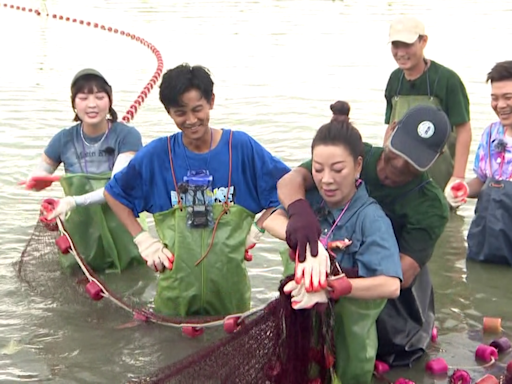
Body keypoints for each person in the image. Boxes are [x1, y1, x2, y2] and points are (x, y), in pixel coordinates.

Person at [104, 63, 291, 317]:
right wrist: (143, 240)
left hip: (230, 298)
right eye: (180, 112)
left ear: (211, 102)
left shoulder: (242, 148)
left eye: (197, 109)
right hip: (175, 297)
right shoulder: (158, 155)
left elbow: (288, 188)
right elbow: (114, 194)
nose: (191, 120)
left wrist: (257, 230)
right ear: (169, 112)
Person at [276, 102, 450, 367]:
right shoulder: (356, 156)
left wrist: (339, 275)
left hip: (385, 285)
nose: (400, 164)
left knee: (389, 351)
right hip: (335, 259)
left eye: (413, 160)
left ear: (435, 159)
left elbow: (401, 275)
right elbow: (292, 180)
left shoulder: (431, 205)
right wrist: (299, 213)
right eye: (398, 151)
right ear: (390, 130)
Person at [262, 106, 403, 384]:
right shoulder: (312, 201)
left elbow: (391, 285)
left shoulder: (371, 218)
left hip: (349, 343)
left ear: (358, 166)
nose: (326, 179)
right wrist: (305, 238)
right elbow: (267, 219)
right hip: (303, 333)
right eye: (317, 169)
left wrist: (335, 287)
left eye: (338, 169)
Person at [22, 68, 144, 273]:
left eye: (99, 96)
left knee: (131, 275)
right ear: (74, 103)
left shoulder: (127, 136)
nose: (92, 104)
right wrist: (37, 184)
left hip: (122, 227)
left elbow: (116, 188)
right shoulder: (63, 139)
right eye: (83, 97)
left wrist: (72, 201)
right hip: (82, 231)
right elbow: (38, 176)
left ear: (110, 99)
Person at [385, 16, 472, 196]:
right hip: (399, 175)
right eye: (396, 45)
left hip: (439, 174)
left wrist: (458, 177)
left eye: (407, 45)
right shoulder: (394, 80)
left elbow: (464, 131)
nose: (401, 52)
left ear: (423, 41)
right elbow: (391, 127)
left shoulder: (448, 80)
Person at [445, 61, 512, 267]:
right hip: (486, 238)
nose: (500, 105)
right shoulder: (490, 133)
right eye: (495, 98)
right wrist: (462, 189)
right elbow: (484, 181)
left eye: (508, 97)